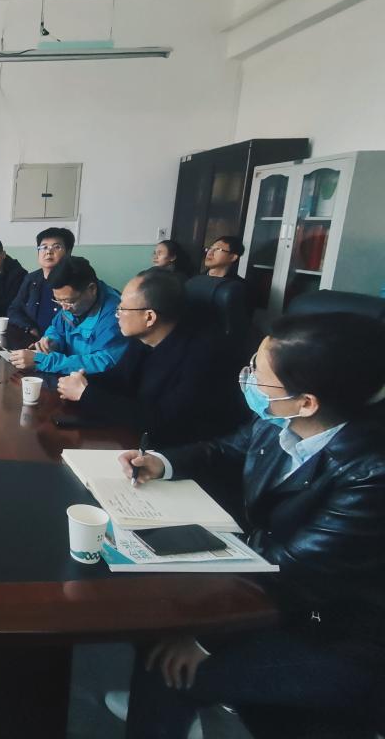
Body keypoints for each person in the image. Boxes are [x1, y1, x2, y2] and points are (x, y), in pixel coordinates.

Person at [121, 313, 385, 739]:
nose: (247, 379)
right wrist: (162, 462)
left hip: (332, 631)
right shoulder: (282, 418)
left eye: (259, 375)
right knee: (157, 620)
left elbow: (293, 573)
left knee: (167, 662)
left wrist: (206, 640)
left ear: (307, 402)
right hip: (275, 587)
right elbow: (226, 448)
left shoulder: (371, 473)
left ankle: (167, 712)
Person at [55, 269, 245, 444]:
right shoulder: (144, 340)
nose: (117, 315)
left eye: (122, 309)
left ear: (149, 317)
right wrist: (82, 382)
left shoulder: (203, 356)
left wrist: (87, 394)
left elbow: (162, 420)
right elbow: (121, 378)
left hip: (181, 452)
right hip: (141, 437)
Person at [10, 256, 127, 375]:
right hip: (70, 375)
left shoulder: (117, 314)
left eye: (69, 301)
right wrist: (52, 342)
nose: (64, 308)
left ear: (92, 289)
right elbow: (56, 328)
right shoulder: (72, 303)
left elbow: (103, 361)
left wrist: (43, 362)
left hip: (100, 382)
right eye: (58, 300)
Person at [6, 227, 75, 339]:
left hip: (63, 345)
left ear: (68, 252)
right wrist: (30, 328)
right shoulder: (31, 278)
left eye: (56, 247)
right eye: (44, 247)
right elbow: (14, 310)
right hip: (32, 342)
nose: (48, 252)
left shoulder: (77, 280)